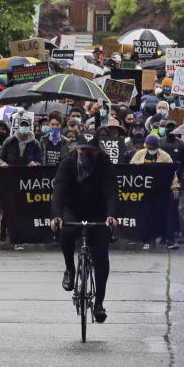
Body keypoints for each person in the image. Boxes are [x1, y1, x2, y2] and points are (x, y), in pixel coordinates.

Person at [50, 131, 118, 323]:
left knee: (101, 258)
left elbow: (112, 190)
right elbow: (59, 191)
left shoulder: (104, 163)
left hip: (98, 210)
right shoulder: (68, 163)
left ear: (97, 151)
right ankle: (70, 269)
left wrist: (111, 215)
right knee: (68, 230)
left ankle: (99, 304)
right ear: (76, 148)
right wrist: (56, 216)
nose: (85, 153)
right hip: (72, 207)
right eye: (82, 149)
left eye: (90, 150)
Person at [130, 133, 181, 249]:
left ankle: (169, 239)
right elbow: (130, 169)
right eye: (149, 148)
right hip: (145, 190)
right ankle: (146, 239)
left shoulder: (165, 156)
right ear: (145, 146)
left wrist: (175, 187)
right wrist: (137, 166)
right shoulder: (139, 154)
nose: (151, 150)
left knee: (167, 214)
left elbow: (172, 173)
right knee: (146, 215)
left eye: (153, 148)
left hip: (161, 190)